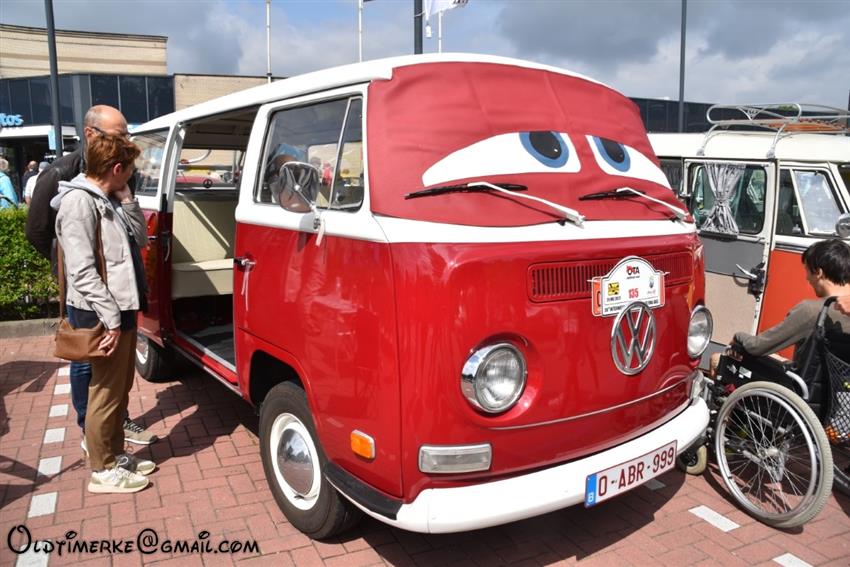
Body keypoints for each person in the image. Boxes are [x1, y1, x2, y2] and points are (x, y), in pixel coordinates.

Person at [25, 105, 157, 446]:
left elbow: (136, 237)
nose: (125, 140)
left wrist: (128, 202)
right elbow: (38, 231)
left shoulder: (120, 174)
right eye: (119, 134)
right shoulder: (61, 174)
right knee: (88, 363)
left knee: (116, 372)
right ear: (90, 134)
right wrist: (73, 268)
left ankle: (115, 426)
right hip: (89, 294)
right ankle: (92, 432)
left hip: (123, 289)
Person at [53, 133, 154, 493]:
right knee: (105, 391)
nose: (131, 175)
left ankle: (114, 454)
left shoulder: (108, 197)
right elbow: (81, 271)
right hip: (101, 311)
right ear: (116, 168)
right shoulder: (79, 202)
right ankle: (103, 468)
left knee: (119, 388)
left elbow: (140, 239)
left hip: (121, 306)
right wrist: (110, 317)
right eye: (129, 170)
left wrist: (128, 201)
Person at [713, 239, 850, 373]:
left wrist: (738, 337)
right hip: (837, 384)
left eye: (807, 271)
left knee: (717, 359)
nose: (807, 278)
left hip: (803, 383)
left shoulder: (812, 311)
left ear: (819, 273)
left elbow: (756, 347)